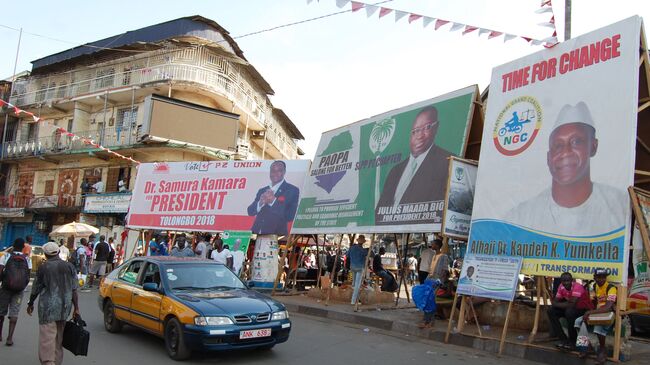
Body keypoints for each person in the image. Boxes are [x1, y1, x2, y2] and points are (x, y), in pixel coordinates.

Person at [506, 102, 628, 235]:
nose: (565, 153)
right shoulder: (519, 218)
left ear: (593, 146)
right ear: (548, 158)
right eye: (558, 145)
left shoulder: (621, 208)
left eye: (576, 142)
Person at [375, 106, 452, 224]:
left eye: (427, 127)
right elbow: (380, 211)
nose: (419, 136)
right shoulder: (396, 171)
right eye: (415, 131)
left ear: (436, 128)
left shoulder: (448, 162)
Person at [26, 241, 80, 365]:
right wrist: (76, 308)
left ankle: (48, 362)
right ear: (59, 252)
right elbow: (74, 289)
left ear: (45, 254)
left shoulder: (43, 267)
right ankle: (57, 361)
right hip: (64, 308)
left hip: (47, 309)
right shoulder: (70, 266)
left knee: (47, 338)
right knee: (58, 338)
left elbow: (36, 288)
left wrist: (30, 303)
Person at [574, 269, 617, 364]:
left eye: (603, 277)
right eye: (599, 277)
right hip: (597, 313)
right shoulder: (594, 286)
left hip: (608, 315)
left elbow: (608, 307)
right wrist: (588, 313)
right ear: (594, 278)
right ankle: (586, 346)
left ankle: (602, 350)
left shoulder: (611, 288)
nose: (602, 279)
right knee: (578, 321)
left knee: (598, 326)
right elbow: (593, 302)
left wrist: (590, 312)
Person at [247, 160, 300, 235]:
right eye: (273, 170)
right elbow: (250, 211)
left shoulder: (292, 190)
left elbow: (289, 216)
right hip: (254, 234)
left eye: (279, 170)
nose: (275, 173)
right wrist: (260, 203)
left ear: (284, 172)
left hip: (276, 237)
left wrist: (273, 201)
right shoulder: (262, 190)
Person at [547, 272, 593, 350]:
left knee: (569, 312)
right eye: (564, 281)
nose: (566, 283)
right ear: (561, 281)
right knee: (551, 311)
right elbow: (555, 301)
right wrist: (558, 304)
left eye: (568, 281)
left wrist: (557, 304)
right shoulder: (561, 286)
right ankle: (563, 339)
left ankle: (572, 341)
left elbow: (571, 304)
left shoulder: (577, 286)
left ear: (572, 280)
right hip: (573, 309)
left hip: (583, 309)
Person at [0, 238, 32, 346]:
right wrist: (22, 285)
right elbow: (28, 276)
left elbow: (0, 271)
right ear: (23, 247)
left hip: (5, 288)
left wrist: (3, 283)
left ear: (13, 246)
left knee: (1, 311)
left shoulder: (6, 256)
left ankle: (0, 335)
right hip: (19, 290)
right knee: (14, 312)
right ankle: (9, 338)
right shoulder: (27, 259)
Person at [346, 235, 368, 306]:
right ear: (363, 242)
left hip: (352, 267)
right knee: (357, 285)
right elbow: (369, 255)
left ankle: (354, 298)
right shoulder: (363, 250)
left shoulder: (352, 248)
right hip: (359, 268)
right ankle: (353, 301)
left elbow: (347, 255)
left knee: (354, 284)